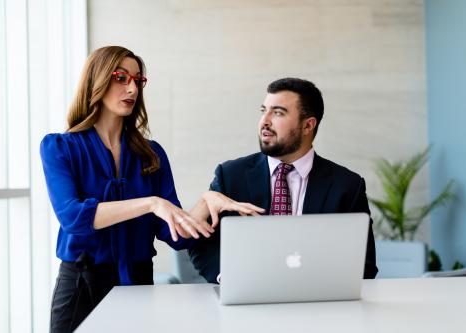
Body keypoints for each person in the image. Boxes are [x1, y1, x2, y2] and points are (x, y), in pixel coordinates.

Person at [40, 46, 262, 333]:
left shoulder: (151, 154)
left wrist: (207, 200)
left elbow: (175, 235)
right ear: (96, 80)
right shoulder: (60, 147)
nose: (132, 88)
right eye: (121, 77)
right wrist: (150, 203)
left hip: (138, 282)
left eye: (138, 80)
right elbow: (73, 218)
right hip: (81, 286)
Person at [188, 77, 379, 283]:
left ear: (308, 125)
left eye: (278, 112)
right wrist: (229, 278)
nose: (265, 121)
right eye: (264, 111)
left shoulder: (347, 185)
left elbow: (364, 263)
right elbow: (201, 243)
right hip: (246, 301)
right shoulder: (231, 175)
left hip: (319, 304)